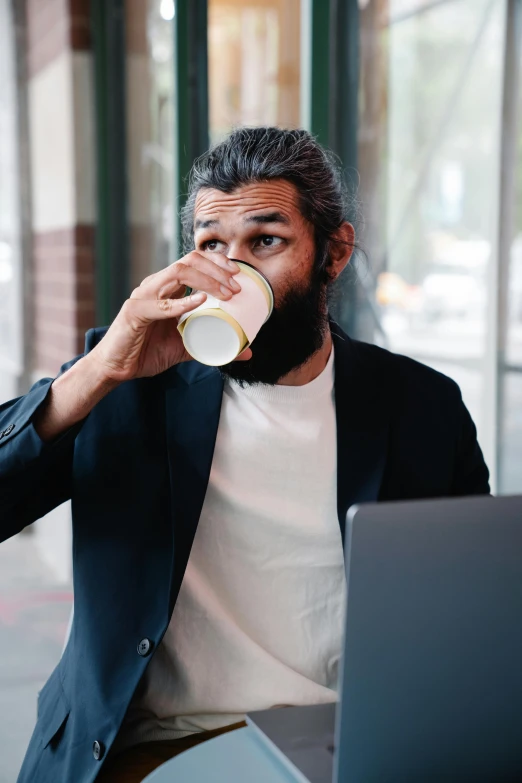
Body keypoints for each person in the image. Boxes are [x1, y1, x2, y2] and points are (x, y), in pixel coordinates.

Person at [0, 127, 489, 783]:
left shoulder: (421, 408)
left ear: (334, 252)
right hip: (151, 747)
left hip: (344, 748)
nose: (233, 273)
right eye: (210, 246)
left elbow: (477, 606)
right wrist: (99, 369)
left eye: (266, 241)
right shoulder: (128, 383)